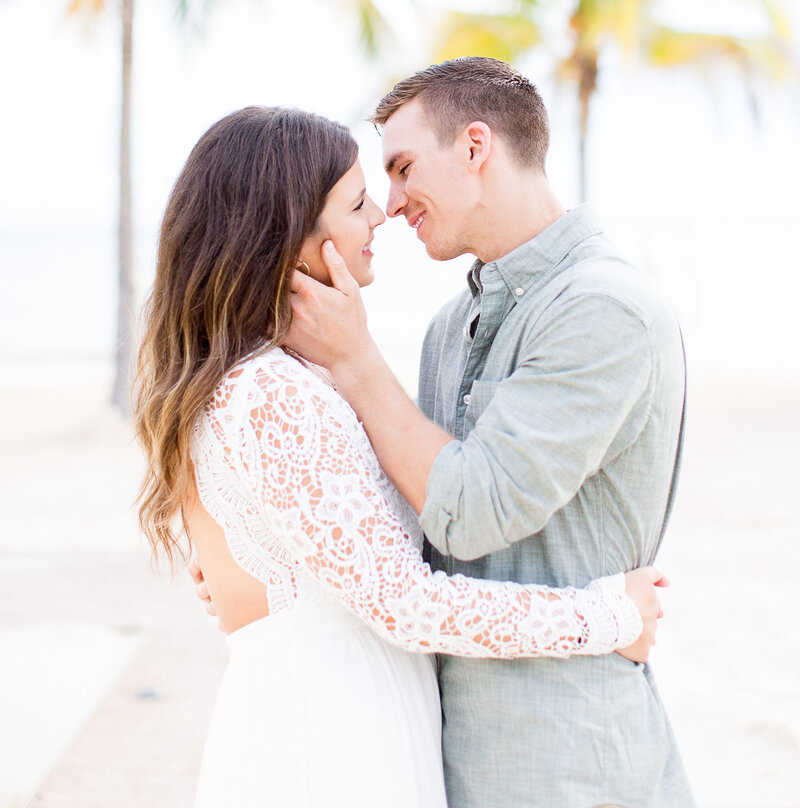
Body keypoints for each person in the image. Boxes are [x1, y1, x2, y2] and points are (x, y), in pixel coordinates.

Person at [134, 104, 665, 808]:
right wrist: (607, 618)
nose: (382, 215)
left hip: (347, 708)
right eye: (357, 202)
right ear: (289, 237)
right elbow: (403, 601)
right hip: (330, 729)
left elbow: (359, 557)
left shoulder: (284, 376)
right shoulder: (268, 391)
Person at [286, 58, 694, 808]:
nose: (392, 202)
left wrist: (353, 357)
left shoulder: (604, 307)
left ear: (476, 147)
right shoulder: (451, 326)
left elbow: (473, 511)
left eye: (404, 168)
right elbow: (411, 517)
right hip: (451, 744)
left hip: (565, 752)